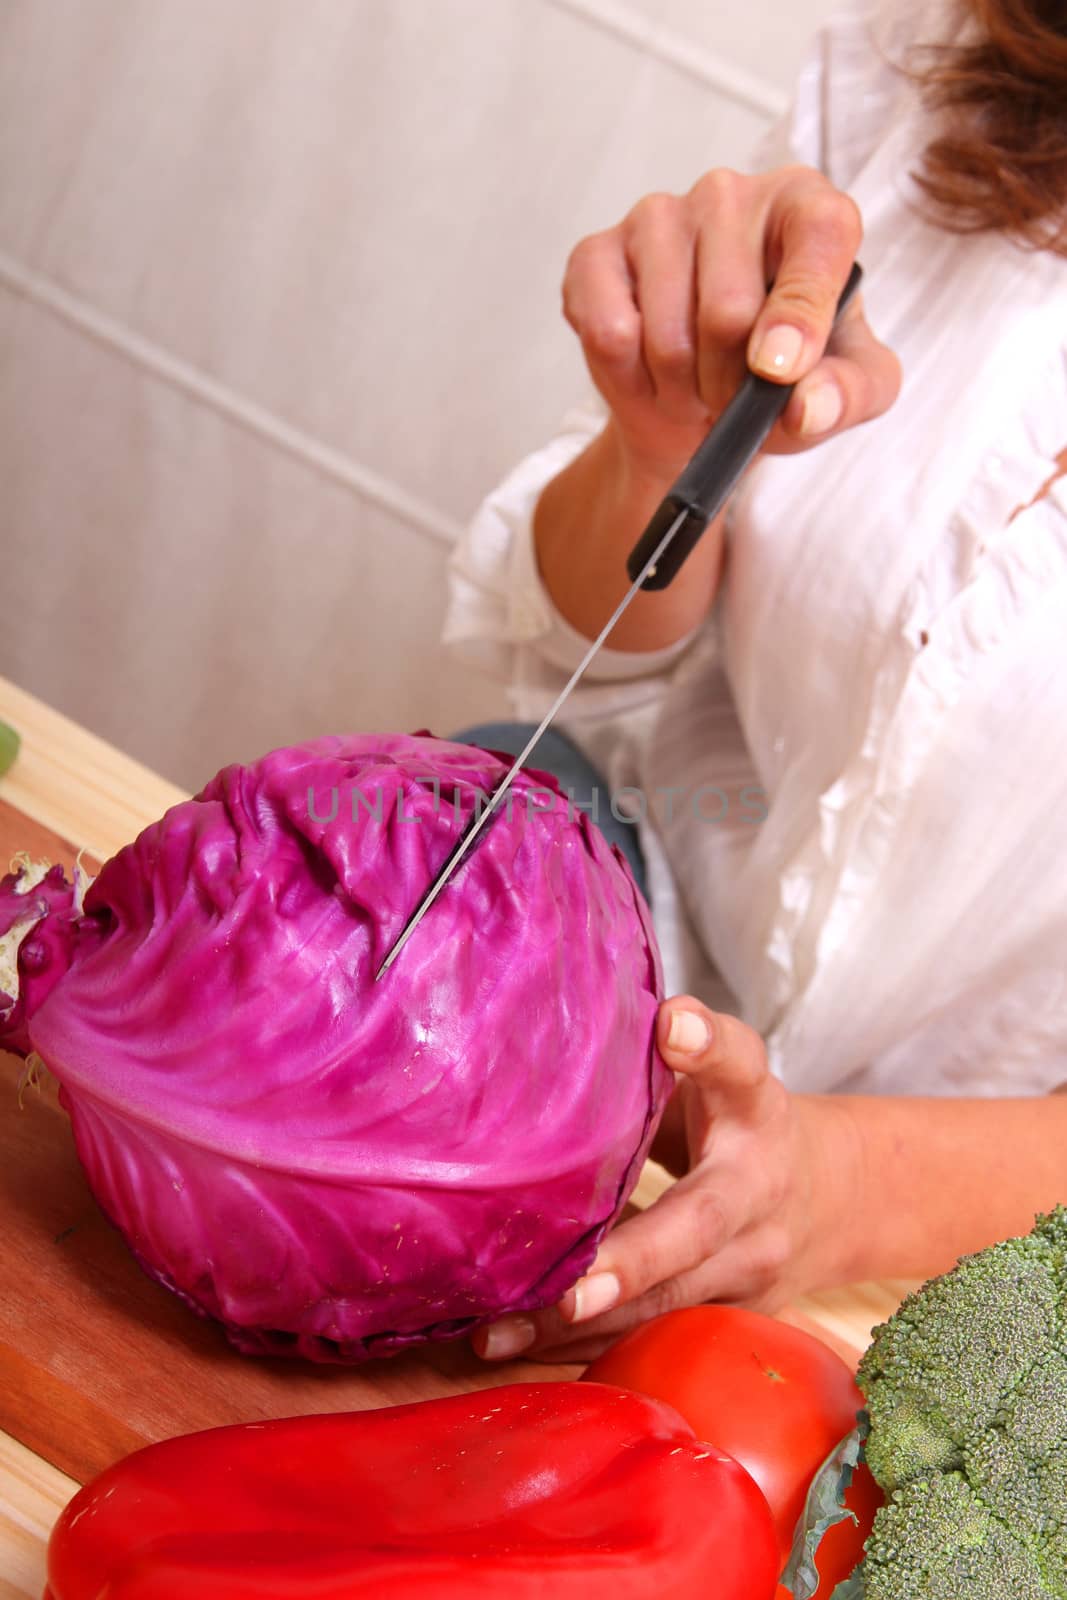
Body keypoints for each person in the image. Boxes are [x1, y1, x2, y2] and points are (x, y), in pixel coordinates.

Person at [444, 0, 1067, 1363]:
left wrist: (836, 1181)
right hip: (641, 941)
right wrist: (658, 440)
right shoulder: (918, 71)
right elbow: (589, 635)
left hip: (979, 1253)